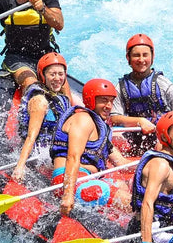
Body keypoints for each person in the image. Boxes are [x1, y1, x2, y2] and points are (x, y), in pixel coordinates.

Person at [50, 78, 130, 217]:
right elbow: (73, 156)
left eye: (111, 101)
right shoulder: (83, 120)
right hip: (70, 182)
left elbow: (122, 163)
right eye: (104, 100)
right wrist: (68, 195)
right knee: (131, 203)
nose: (109, 106)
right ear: (91, 100)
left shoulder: (100, 127)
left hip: (88, 179)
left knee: (122, 185)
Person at [129, 111, 173, 243]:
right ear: (165, 137)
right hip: (153, 231)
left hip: (166, 226)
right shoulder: (161, 164)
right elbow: (147, 202)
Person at [110, 33, 173, 156]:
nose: (141, 60)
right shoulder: (121, 87)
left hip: (163, 140)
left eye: (145, 55)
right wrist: (140, 121)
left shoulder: (164, 84)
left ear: (152, 56)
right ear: (128, 58)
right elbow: (114, 118)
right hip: (134, 140)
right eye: (136, 55)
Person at [11, 52, 73, 182]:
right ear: (43, 76)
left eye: (61, 74)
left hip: (55, 150)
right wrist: (20, 166)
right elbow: (31, 137)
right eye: (52, 74)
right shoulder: (39, 101)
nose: (57, 78)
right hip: (39, 155)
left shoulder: (61, 98)